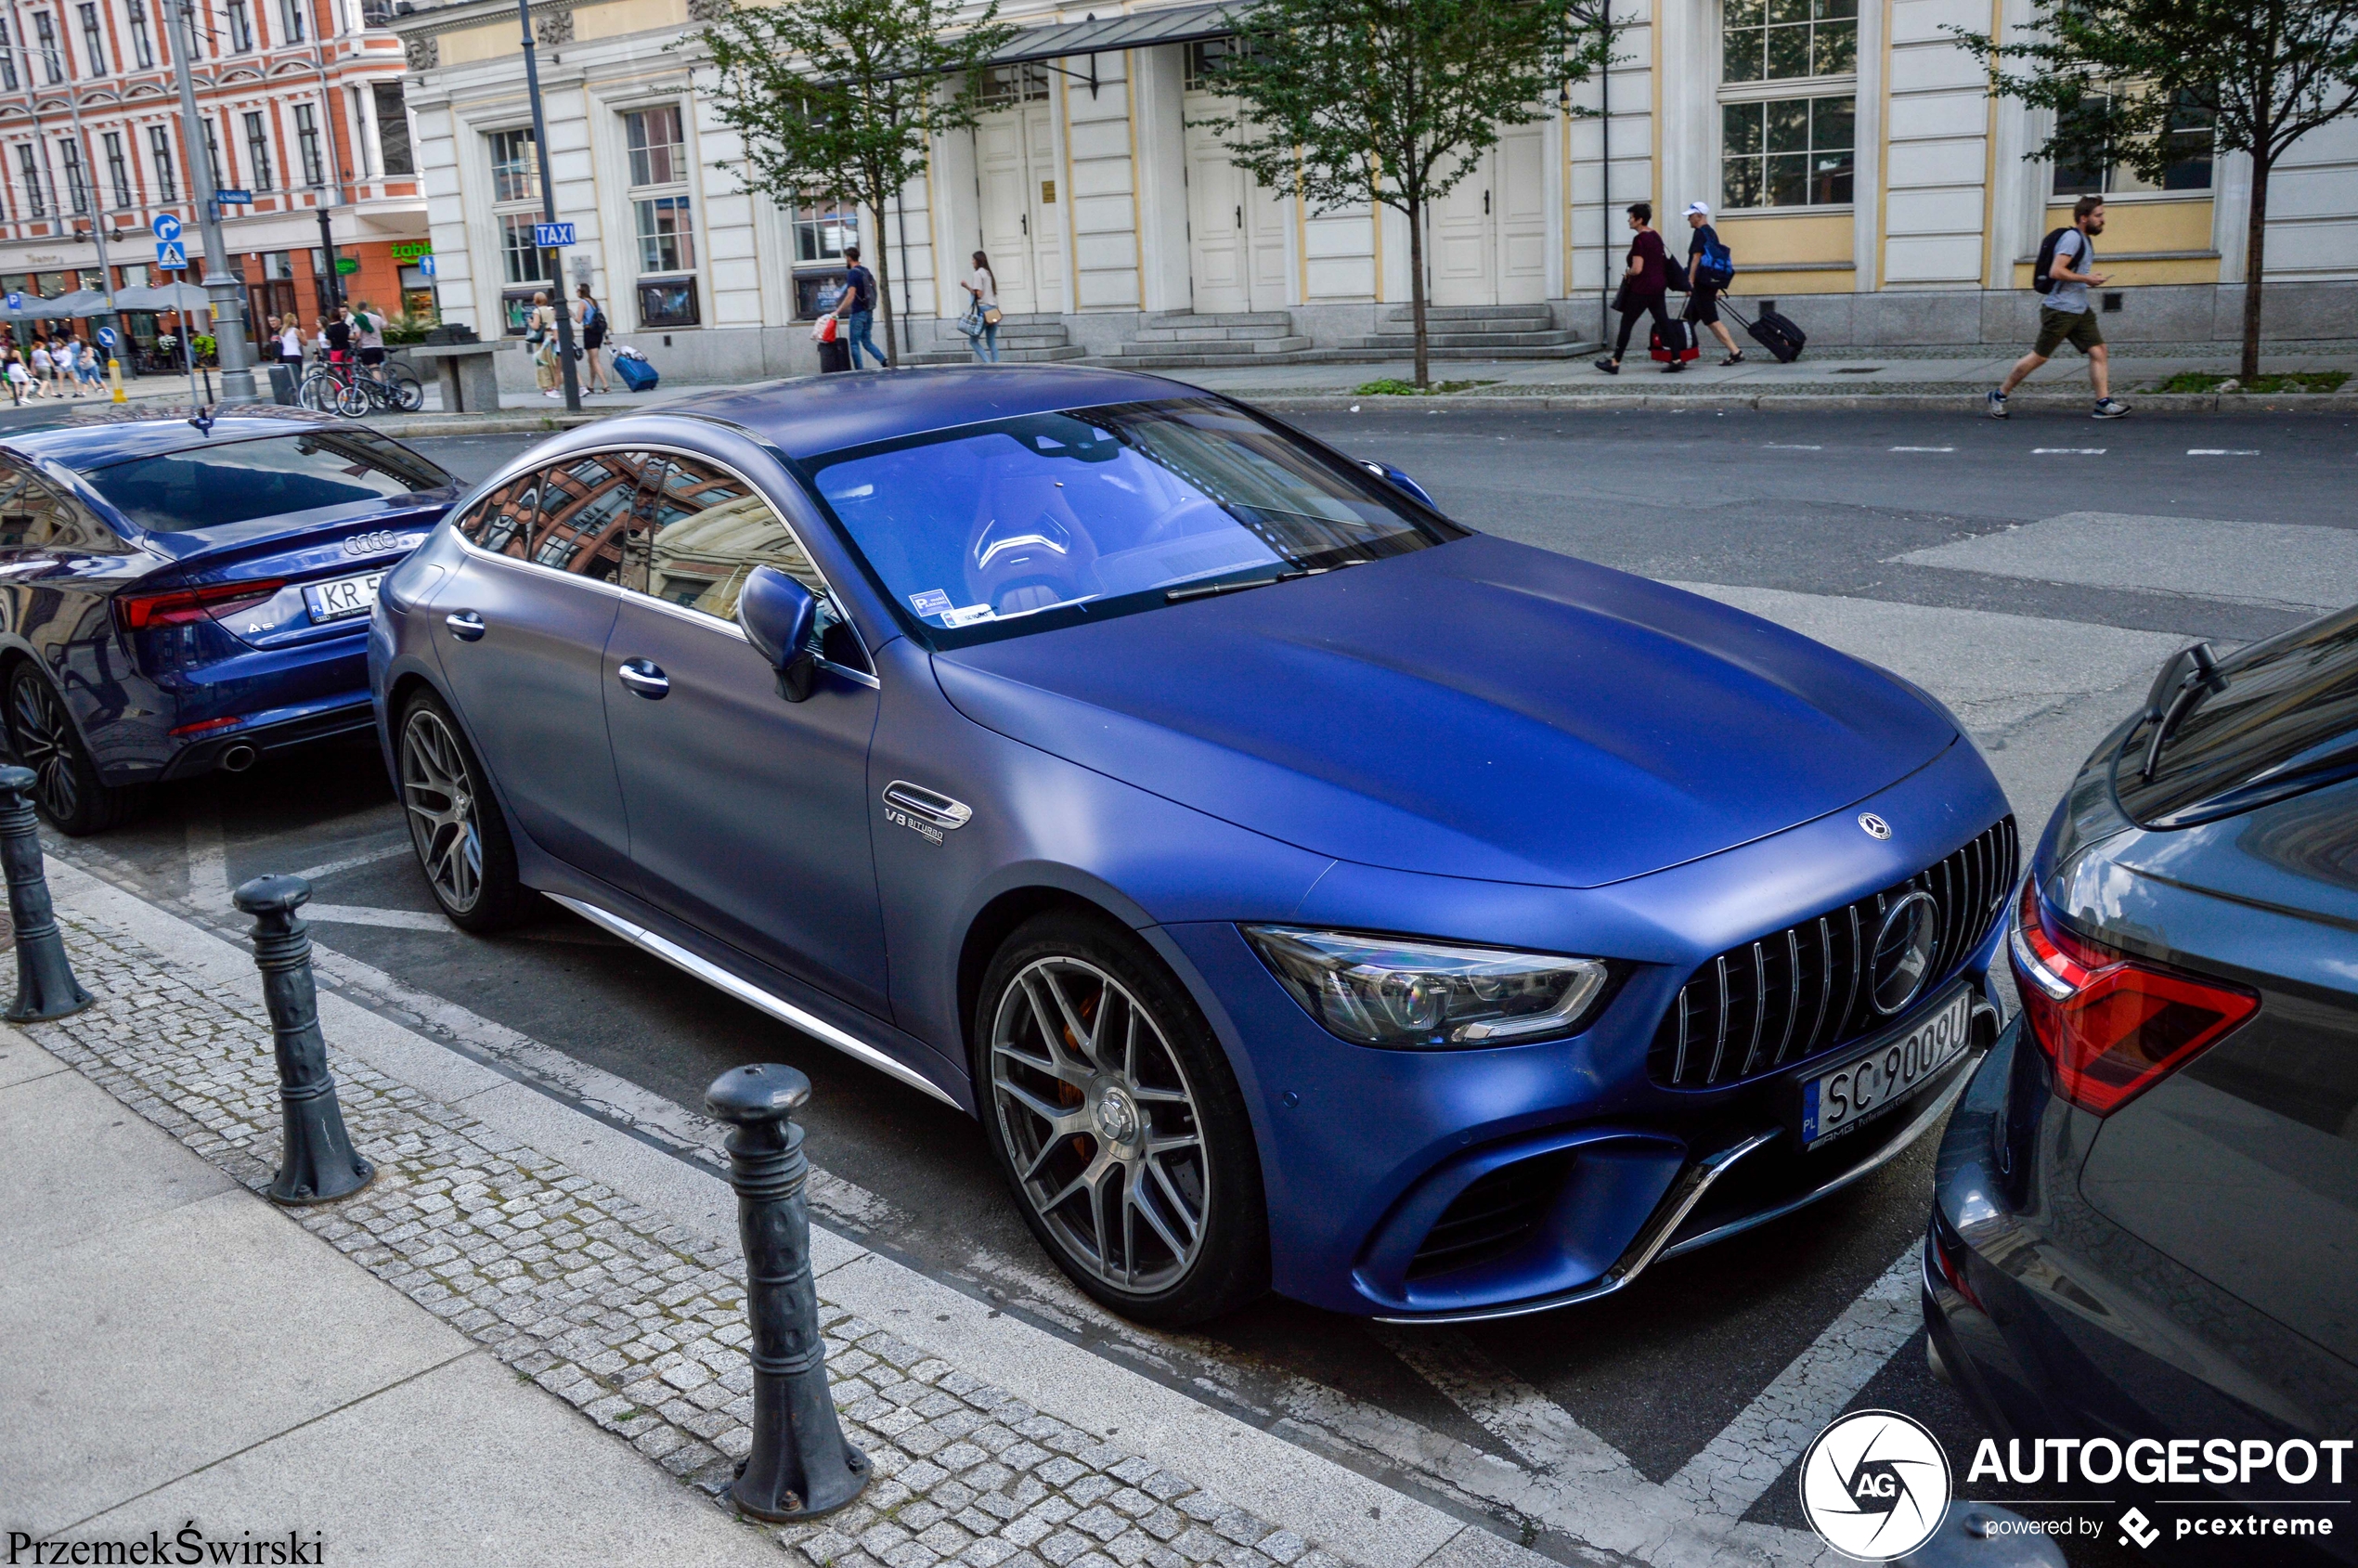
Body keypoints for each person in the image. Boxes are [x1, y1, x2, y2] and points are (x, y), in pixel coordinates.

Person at [1990, 195, 2128, 420]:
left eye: (2102, 215)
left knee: (2099, 350)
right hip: (2060, 310)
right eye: (2098, 216)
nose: (2103, 220)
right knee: (2039, 357)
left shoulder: (2084, 239)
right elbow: (2056, 271)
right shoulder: (2072, 239)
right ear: (2084, 218)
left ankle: (2103, 403)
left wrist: (2087, 280)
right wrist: (2086, 279)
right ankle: (1999, 394)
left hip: (2079, 309)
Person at [1594, 203, 1675, 376]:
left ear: (1639, 219)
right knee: (1663, 321)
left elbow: (1637, 268)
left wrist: (1628, 272)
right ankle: (1676, 359)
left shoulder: (1639, 240)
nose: (1629, 220)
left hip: (1642, 288)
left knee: (1627, 324)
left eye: (1631, 217)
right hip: (1658, 285)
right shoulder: (1655, 236)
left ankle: (1615, 362)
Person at [1681, 201, 1744, 366]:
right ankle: (1681, 354)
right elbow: (1715, 262)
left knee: (1712, 320)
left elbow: (1696, 258)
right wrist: (1715, 287)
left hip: (1701, 286)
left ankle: (1735, 351)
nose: (1688, 219)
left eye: (1691, 216)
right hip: (1708, 284)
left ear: (1699, 216)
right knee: (1687, 319)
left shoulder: (1700, 233)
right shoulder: (1711, 233)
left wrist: (1690, 281)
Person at [834, 245, 888, 369]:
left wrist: (838, 311)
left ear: (848, 258)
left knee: (854, 344)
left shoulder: (853, 273)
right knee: (867, 341)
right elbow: (873, 288)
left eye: (845, 258)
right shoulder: (866, 271)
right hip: (869, 311)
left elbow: (851, 295)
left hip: (858, 312)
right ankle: (884, 361)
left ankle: (859, 371)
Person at [959, 251, 1001, 364]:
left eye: (973, 260)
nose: (972, 262)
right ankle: (997, 363)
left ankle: (987, 362)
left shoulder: (977, 274)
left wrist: (966, 286)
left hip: (984, 310)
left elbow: (979, 294)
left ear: (978, 260)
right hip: (994, 310)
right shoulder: (988, 273)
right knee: (991, 340)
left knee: (973, 340)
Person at [575, 283, 612, 393]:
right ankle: (591, 385)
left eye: (577, 290)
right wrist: (606, 337)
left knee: (594, 360)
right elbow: (601, 320)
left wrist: (572, 314)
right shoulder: (595, 302)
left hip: (589, 332)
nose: (576, 292)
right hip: (598, 333)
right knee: (591, 360)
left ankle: (606, 385)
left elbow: (579, 320)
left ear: (582, 291)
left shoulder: (582, 303)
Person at [526, 291, 562, 397]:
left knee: (542, 361)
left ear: (536, 300)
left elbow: (536, 326)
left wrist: (530, 322)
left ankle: (548, 386)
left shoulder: (537, 311)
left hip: (543, 338)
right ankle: (556, 384)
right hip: (552, 335)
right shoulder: (551, 310)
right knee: (552, 361)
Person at [352, 301, 387, 368]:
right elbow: (385, 326)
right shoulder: (377, 317)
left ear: (358, 309)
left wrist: (358, 344)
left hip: (367, 347)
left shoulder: (359, 319)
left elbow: (357, 335)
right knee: (381, 368)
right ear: (367, 308)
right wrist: (382, 314)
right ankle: (385, 378)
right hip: (379, 346)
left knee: (373, 368)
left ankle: (376, 378)